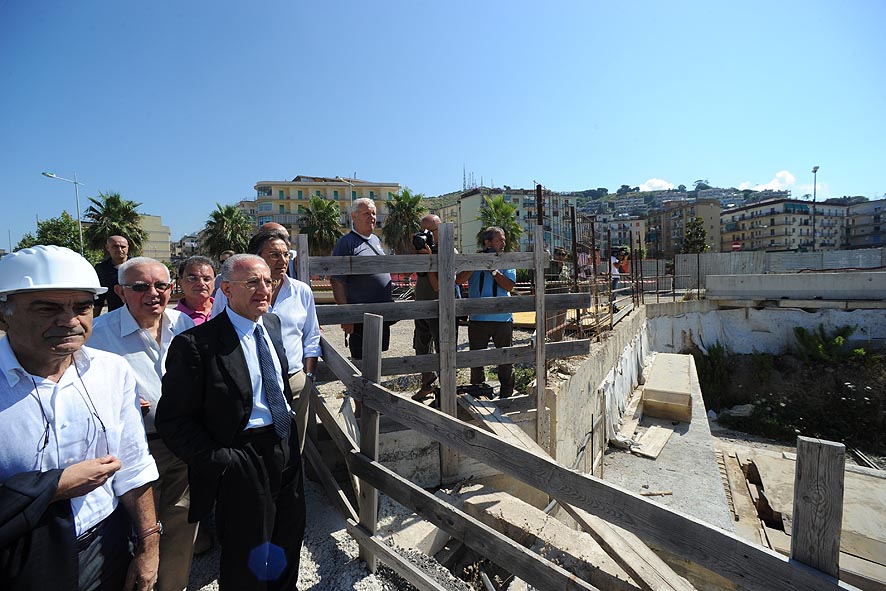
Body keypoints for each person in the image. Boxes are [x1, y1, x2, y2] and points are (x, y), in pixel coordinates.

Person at [0, 245, 160, 590]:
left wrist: (149, 545)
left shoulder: (111, 370)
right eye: (48, 308)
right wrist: (54, 488)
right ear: (4, 314)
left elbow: (133, 464)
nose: (69, 320)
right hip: (19, 555)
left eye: (82, 307)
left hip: (107, 543)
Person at [156, 254, 305, 591]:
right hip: (242, 455)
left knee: (288, 536)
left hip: (285, 444)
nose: (263, 289)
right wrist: (222, 462)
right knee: (247, 552)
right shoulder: (197, 345)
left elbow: (277, 386)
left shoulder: (272, 326)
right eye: (252, 282)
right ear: (226, 289)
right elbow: (173, 419)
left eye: (268, 282)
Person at [89, 257, 196, 591]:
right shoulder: (97, 335)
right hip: (133, 450)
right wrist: (116, 399)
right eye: (140, 286)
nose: (153, 293)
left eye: (161, 285)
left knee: (180, 522)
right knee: (134, 532)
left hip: (183, 443)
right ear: (120, 291)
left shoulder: (183, 324)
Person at [212, 230, 320, 452]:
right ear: (257, 256)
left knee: (294, 448)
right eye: (274, 254)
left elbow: (312, 336)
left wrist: (307, 377)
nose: (282, 261)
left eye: (286, 254)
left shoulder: (302, 292)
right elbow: (217, 330)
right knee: (255, 448)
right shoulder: (230, 292)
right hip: (247, 384)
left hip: (294, 381)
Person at [331, 198, 393, 360]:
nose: (372, 217)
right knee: (361, 360)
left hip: (382, 313)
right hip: (360, 317)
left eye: (373, 214)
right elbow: (337, 281)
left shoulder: (376, 240)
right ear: (354, 216)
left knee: (377, 358)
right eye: (366, 214)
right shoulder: (345, 243)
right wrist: (346, 315)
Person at [459, 227, 517, 398]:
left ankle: (506, 392)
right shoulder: (474, 260)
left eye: (504, 240)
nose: (503, 243)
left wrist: (493, 269)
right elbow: (459, 280)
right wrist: (476, 262)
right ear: (487, 243)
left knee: (505, 357)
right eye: (499, 240)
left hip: (503, 318)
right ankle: (478, 391)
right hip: (478, 318)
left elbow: (509, 286)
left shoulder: (506, 261)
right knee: (477, 359)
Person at [412, 214, 442, 402]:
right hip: (421, 305)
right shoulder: (421, 249)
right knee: (421, 347)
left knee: (442, 347)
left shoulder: (448, 250)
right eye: (421, 231)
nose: (425, 235)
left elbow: (439, 286)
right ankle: (427, 385)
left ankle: (445, 389)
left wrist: (430, 259)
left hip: (440, 308)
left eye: (429, 231)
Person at [93, 235, 129, 316]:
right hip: (114, 315)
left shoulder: (138, 266)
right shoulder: (101, 269)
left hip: (138, 315)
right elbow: (98, 298)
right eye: (115, 246)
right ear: (107, 248)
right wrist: (94, 320)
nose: (119, 250)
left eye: (123, 247)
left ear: (127, 247)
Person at [176, 255, 216, 325]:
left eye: (206, 279)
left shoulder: (227, 310)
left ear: (214, 282)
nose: (201, 283)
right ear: (180, 283)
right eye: (193, 279)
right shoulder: (172, 319)